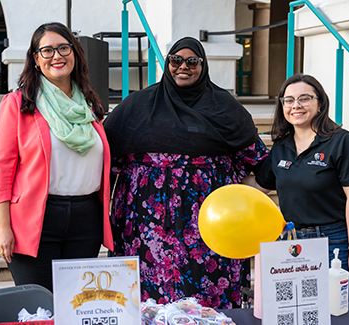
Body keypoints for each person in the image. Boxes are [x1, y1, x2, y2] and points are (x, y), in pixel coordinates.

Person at [104, 37, 269, 309]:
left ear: (202, 66)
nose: (184, 67)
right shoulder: (137, 106)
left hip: (210, 224)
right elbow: (106, 157)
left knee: (206, 299)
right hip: (145, 228)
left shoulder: (225, 108)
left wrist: (240, 197)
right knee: (147, 302)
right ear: (167, 63)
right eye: (176, 60)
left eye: (192, 61)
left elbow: (260, 161)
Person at [0, 22, 113, 292]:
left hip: (86, 219)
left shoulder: (90, 105)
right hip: (36, 219)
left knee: (76, 305)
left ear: (75, 53)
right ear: (35, 59)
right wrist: (3, 226)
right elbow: (2, 170)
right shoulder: (19, 104)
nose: (56, 56)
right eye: (46, 51)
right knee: (40, 307)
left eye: (63, 48)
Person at [246, 73, 349, 301]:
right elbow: (258, 186)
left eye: (305, 98)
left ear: (320, 103)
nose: (296, 105)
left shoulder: (341, 142)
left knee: (340, 312)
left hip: (335, 242)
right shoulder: (281, 146)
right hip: (292, 242)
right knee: (299, 311)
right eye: (289, 100)